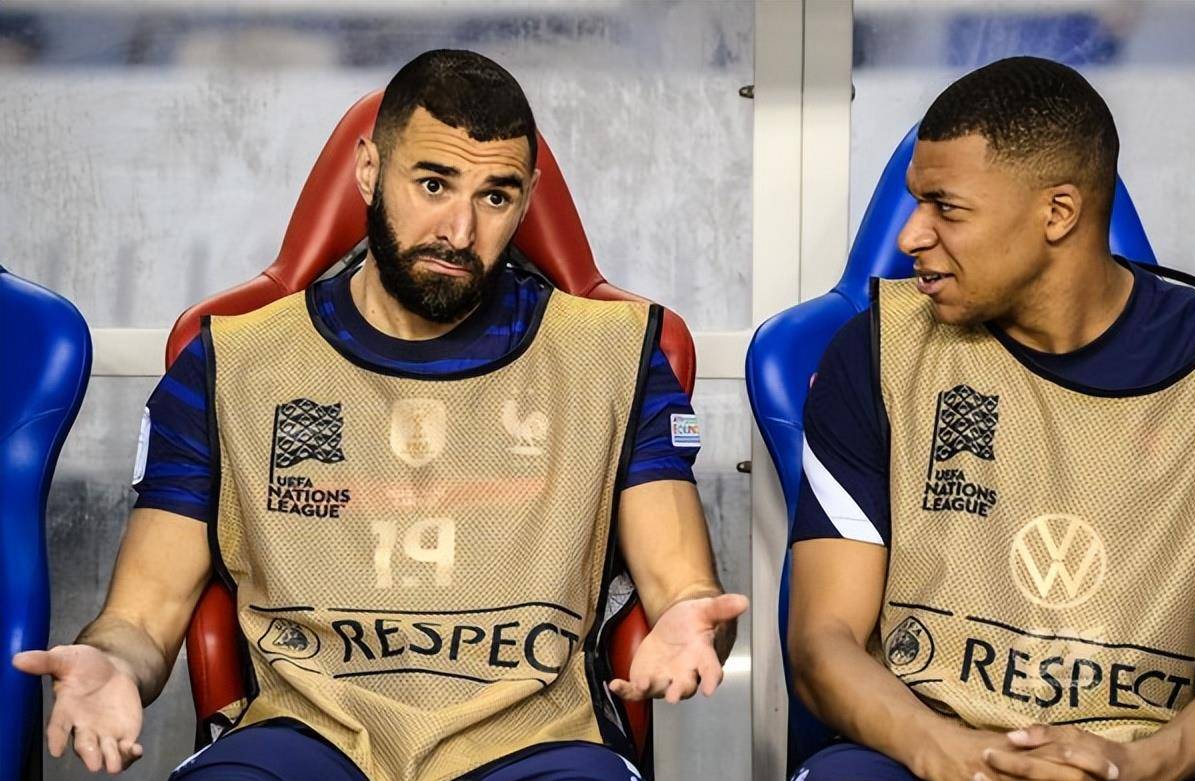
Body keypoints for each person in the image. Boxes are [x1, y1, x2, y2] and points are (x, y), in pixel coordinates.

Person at [13, 49, 746, 781]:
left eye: (496, 197)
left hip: (536, 738)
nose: (459, 230)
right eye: (433, 184)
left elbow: (681, 587)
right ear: (368, 170)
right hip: (304, 734)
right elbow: (142, 617)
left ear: (527, 201)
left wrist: (694, 620)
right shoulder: (233, 364)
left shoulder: (613, 356)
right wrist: (111, 661)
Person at [787, 56, 1195, 781]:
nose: (911, 236)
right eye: (916, 203)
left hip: (1160, 756)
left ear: (1057, 213)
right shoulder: (879, 353)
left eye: (946, 207)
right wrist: (959, 756)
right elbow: (822, 641)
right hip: (930, 748)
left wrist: (1141, 763)